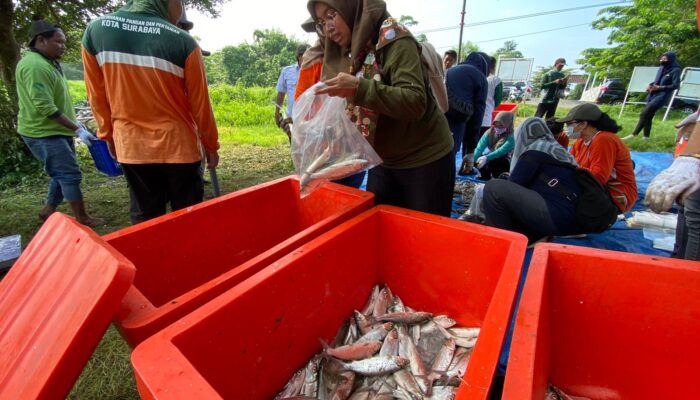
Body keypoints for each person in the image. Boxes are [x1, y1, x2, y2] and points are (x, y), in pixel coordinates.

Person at [309, 0, 455, 216]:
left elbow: (414, 102)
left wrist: (359, 88)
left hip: (425, 158)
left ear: (352, 9)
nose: (328, 27)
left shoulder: (394, 40)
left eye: (331, 15)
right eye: (321, 22)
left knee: (422, 235)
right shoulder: (354, 52)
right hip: (384, 160)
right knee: (382, 226)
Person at [82, 0, 220, 224]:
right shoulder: (183, 41)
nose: (180, 12)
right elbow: (200, 103)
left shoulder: (95, 31)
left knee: (145, 215)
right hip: (179, 146)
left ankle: (150, 257)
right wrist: (211, 144)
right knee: (188, 215)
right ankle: (188, 257)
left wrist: (107, 134)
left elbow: (96, 95)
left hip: (132, 145)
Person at [16, 21, 104, 227]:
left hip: (58, 129)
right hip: (43, 132)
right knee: (68, 173)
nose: (63, 46)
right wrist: (77, 128)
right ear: (41, 40)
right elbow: (45, 108)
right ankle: (82, 217)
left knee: (60, 172)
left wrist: (74, 127)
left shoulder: (47, 62)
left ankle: (48, 210)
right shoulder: (35, 66)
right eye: (58, 42)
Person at [482, 118, 582, 243]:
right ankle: (535, 234)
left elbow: (513, 184)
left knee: (494, 189)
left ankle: (503, 240)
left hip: (558, 217)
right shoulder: (555, 148)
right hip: (575, 217)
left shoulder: (534, 152)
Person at [557, 103, 637, 213]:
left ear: (584, 124)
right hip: (595, 189)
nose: (567, 128)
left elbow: (598, 177)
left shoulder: (604, 140)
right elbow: (569, 163)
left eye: (569, 124)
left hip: (616, 195)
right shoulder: (580, 141)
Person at [444, 52, 488, 174]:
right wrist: (470, 149)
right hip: (458, 121)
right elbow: (478, 115)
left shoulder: (451, 71)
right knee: (449, 155)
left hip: (441, 118)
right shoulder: (481, 77)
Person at [623, 52, 682, 141]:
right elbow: (657, 81)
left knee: (644, 113)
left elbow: (676, 85)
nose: (662, 60)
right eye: (662, 58)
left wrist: (660, 87)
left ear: (671, 59)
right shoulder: (661, 68)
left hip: (663, 95)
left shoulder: (675, 70)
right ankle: (646, 137)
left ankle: (634, 134)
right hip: (653, 94)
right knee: (649, 115)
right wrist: (651, 85)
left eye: (665, 59)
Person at [276, 44, 310, 141]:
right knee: (295, 146)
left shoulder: (315, 70)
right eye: (307, 57)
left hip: (310, 118)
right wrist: (277, 112)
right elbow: (281, 93)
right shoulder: (287, 71)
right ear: (299, 57)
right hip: (292, 117)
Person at [473, 111, 515, 180]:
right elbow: (479, 148)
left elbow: (501, 151)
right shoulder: (489, 132)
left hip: (504, 160)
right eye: (495, 125)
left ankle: (499, 178)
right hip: (491, 155)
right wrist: (473, 160)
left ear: (508, 124)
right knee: (479, 158)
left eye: (501, 126)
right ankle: (485, 176)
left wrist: (487, 157)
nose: (497, 128)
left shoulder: (512, 136)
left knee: (497, 160)